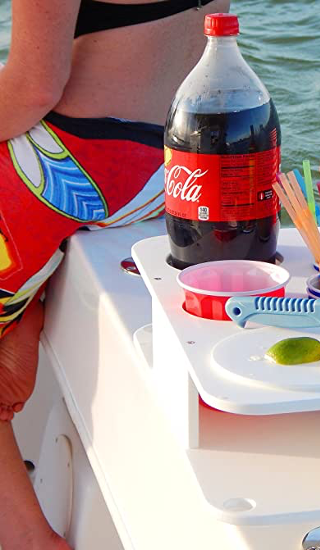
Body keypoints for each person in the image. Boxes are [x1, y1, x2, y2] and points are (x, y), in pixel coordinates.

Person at [0, 1, 230, 548]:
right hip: (179, 168)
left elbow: (33, 89)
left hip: (80, 161)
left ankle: (30, 540)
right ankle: (23, 313)